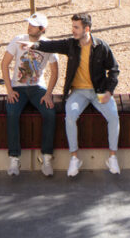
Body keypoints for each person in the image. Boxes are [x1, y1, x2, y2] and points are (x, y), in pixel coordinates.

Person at [29, 12, 121, 177]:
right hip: (78, 92)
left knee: (113, 116)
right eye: (73, 26)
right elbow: (53, 45)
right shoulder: (71, 44)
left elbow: (114, 70)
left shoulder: (101, 46)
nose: (73, 30)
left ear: (87, 29)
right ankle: (74, 158)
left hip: (99, 92)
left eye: (76, 27)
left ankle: (112, 157)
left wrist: (108, 91)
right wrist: (34, 46)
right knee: (70, 115)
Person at [2, 13, 59, 177]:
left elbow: (55, 71)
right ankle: (14, 158)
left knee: (49, 112)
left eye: (33, 25)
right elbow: (4, 64)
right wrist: (9, 90)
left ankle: (47, 158)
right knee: (12, 112)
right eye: (29, 24)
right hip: (18, 88)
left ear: (42, 29)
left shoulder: (48, 46)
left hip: (37, 88)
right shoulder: (17, 39)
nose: (29, 27)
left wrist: (48, 94)